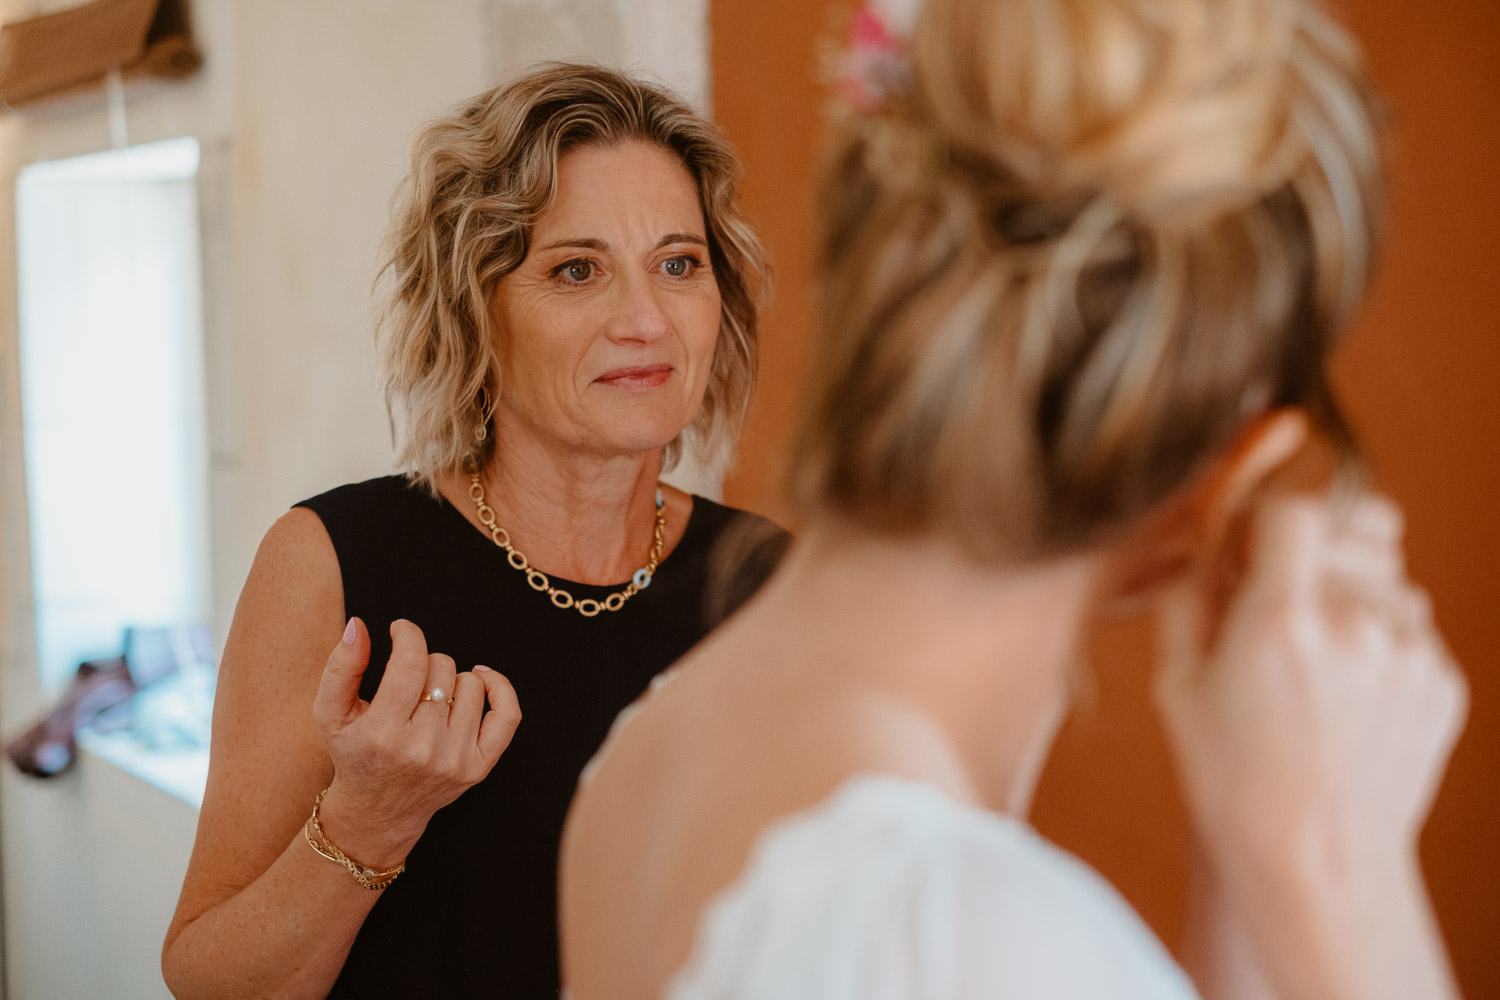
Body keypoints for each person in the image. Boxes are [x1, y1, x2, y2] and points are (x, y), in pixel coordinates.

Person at [559, 1, 1469, 998]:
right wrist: (1346, 881)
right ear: (1233, 463)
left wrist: (1249, 855)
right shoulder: (955, 925)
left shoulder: (645, 758)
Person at [162, 64, 784, 999]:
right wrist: (370, 819)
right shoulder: (332, 565)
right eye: (577, 269)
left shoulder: (774, 582)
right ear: (476, 313)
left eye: (678, 263)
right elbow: (211, 980)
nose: (646, 319)